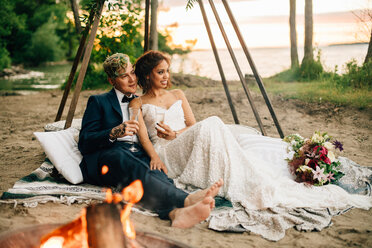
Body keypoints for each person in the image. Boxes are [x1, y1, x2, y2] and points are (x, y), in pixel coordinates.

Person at [130, 50, 372, 212]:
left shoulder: (178, 94)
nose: (166, 76)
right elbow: (143, 137)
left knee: (214, 124)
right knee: (214, 122)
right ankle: (234, 176)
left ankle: (240, 173)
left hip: (181, 139)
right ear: (147, 75)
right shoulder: (137, 104)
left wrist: (175, 134)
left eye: (167, 71)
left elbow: (192, 125)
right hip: (166, 152)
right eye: (160, 72)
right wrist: (154, 156)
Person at [78, 53, 224, 228]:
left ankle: (174, 213)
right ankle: (186, 199)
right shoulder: (99, 101)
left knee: (156, 173)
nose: (132, 79)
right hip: (109, 155)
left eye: (132, 72)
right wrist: (114, 132)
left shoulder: (140, 101)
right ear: (111, 81)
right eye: (125, 76)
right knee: (132, 163)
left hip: (137, 153)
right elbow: (85, 141)